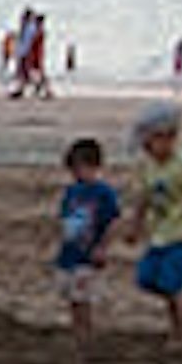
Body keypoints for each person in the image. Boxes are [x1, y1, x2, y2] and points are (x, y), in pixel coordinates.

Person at [123, 100, 182, 344]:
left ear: (169, 137)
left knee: (173, 283)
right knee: (148, 279)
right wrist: (135, 224)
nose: (146, 148)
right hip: (160, 233)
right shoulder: (148, 164)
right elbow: (143, 196)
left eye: (150, 142)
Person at [50, 137, 123, 333]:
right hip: (70, 251)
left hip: (89, 253)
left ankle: (85, 330)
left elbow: (114, 221)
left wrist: (102, 247)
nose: (76, 174)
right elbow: (64, 218)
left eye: (79, 168)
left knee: (84, 295)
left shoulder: (103, 192)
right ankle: (76, 327)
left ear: (94, 166)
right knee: (71, 293)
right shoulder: (72, 191)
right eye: (72, 170)